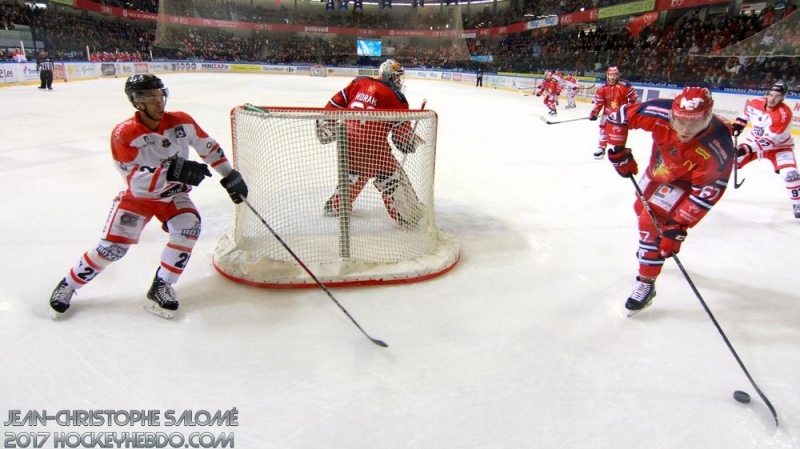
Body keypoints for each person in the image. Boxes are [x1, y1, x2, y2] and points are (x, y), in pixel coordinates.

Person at [48, 74, 249, 319]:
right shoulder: (124, 134)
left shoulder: (182, 122)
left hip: (174, 196)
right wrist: (174, 171)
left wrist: (229, 175)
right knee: (113, 249)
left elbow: (207, 146)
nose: (158, 102)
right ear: (136, 102)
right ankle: (69, 284)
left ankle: (162, 285)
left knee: (189, 227)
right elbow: (134, 180)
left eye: (160, 95)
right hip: (138, 200)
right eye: (150, 97)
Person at [604, 86, 735, 315]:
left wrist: (679, 224)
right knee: (641, 208)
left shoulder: (719, 144)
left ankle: (646, 283)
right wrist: (618, 150)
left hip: (687, 184)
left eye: (693, 124)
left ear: (707, 117)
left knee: (651, 221)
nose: (684, 130)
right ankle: (651, 249)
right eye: (680, 122)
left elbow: (708, 191)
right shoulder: (660, 111)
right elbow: (619, 116)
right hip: (659, 171)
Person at [316, 58, 424, 229]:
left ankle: (336, 205)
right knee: (392, 178)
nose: (399, 81)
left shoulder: (359, 82)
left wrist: (327, 126)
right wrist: (411, 142)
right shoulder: (397, 98)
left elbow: (333, 105)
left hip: (348, 144)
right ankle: (406, 217)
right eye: (396, 77)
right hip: (375, 150)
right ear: (388, 76)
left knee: (355, 173)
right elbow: (401, 138)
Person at [731, 81, 799, 219]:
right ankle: (704, 187)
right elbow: (746, 115)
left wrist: (745, 148)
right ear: (767, 93)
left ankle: (798, 203)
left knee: (790, 174)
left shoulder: (783, 114)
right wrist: (739, 125)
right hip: (754, 142)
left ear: (783, 98)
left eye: (777, 96)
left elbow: (770, 140)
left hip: (779, 147)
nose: (772, 99)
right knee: (725, 163)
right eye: (771, 94)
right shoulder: (755, 102)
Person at [589, 66, 638, 159]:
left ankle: (619, 148)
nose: (612, 77)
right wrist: (594, 113)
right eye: (610, 75)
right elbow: (599, 102)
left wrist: (629, 109)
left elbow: (634, 96)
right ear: (607, 75)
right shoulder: (602, 87)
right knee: (603, 129)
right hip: (607, 112)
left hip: (621, 113)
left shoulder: (625, 85)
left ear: (618, 75)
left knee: (620, 131)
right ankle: (601, 148)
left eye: (614, 75)